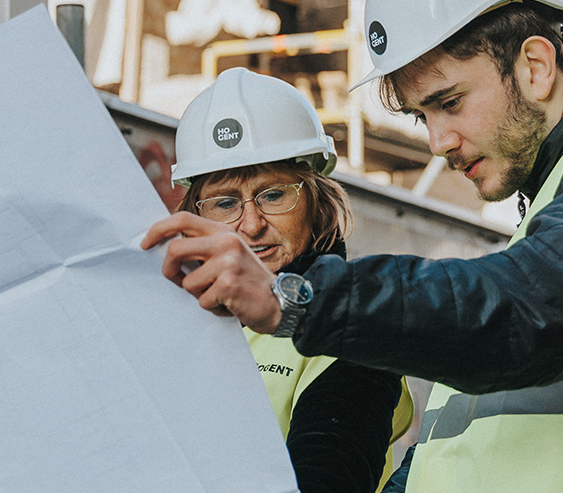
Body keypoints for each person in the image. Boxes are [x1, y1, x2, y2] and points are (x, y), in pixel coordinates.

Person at [142, 0, 563, 490]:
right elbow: (458, 452)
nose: (436, 141)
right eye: (421, 115)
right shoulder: (555, 210)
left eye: (449, 102)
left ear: (534, 66)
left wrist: (296, 301)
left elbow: (528, 310)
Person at [170, 67, 414, 493]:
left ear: (315, 201)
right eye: (225, 203)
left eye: (273, 195)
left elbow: (329, 473)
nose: (251, 225)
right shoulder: (168, 320)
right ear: (196, 214)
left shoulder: (354, 327)